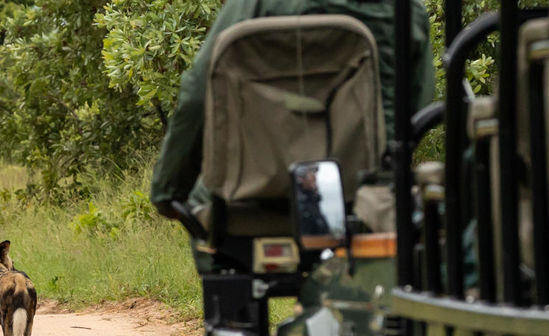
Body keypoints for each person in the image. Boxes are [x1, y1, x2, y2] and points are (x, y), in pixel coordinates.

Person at [150, 0, 433, 272]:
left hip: (252, 200)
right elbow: (417, 108)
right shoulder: (404, 9)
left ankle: (229, 311)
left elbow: (198, 96)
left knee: (203, 193)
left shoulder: (253, 5)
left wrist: (168, 190)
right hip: (361, 199)